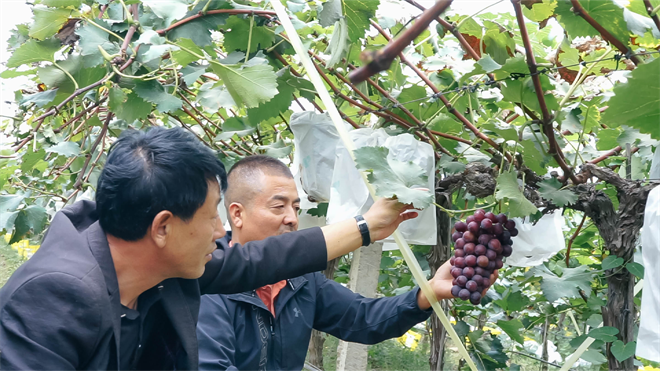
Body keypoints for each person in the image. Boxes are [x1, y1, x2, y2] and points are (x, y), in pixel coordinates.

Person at [0, 127, 417, 371]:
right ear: (164, 226)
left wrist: (368, 226)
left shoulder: (167, 268)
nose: (219, 230)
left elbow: (260, 261)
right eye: (210, 217)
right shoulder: (56, 294)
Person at [196, 155, 463, 371]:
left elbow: (361, 318)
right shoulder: (205, 280)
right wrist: (367, 225)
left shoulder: (300, 279)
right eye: (279, 207)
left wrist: (428, 293)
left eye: (296, 208)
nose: (292, 219)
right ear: (237, 214)